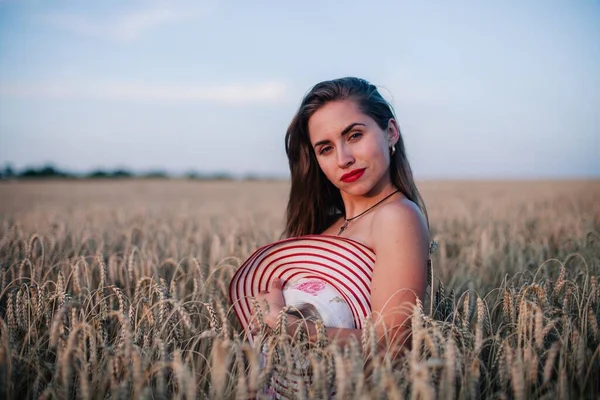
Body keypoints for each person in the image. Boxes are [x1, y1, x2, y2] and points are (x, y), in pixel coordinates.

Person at [229, 77, 431, 397]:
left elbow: (393, 347)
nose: (343, 158)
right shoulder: (328, 228)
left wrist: (293, 329)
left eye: (354, 135)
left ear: (390, 131)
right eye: (326, 148)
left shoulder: (396, 217)